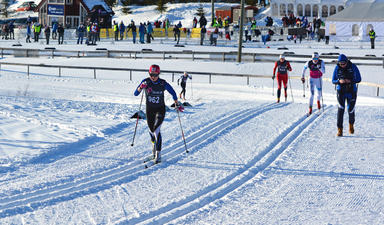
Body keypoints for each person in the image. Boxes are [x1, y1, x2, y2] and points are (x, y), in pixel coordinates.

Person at [134, 65, 184, 163]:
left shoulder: (162, 83)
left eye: (155, 75)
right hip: (149, 110)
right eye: (151, 74)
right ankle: (153, 150)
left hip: (160, 109)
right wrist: (140, 87)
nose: (153, 77)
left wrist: (176, 102)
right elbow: (136, 93)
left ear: (158, 74)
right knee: (151, 131)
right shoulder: (146, 81)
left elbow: (173, 92)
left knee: (156, 130)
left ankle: (158, 155)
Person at [332, 54, 361, 137]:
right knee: (341, 108)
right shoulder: (337, 68)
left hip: (351, 90)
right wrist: (339, 81)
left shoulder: (353, 66)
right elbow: (333, 80)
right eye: (340, 64)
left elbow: (359, 79)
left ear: (347, 62)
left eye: (343, 63)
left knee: (350, 109)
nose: (342, 65)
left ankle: (351, 125)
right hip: (341, 90)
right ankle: (339, 130)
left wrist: (350, 81)